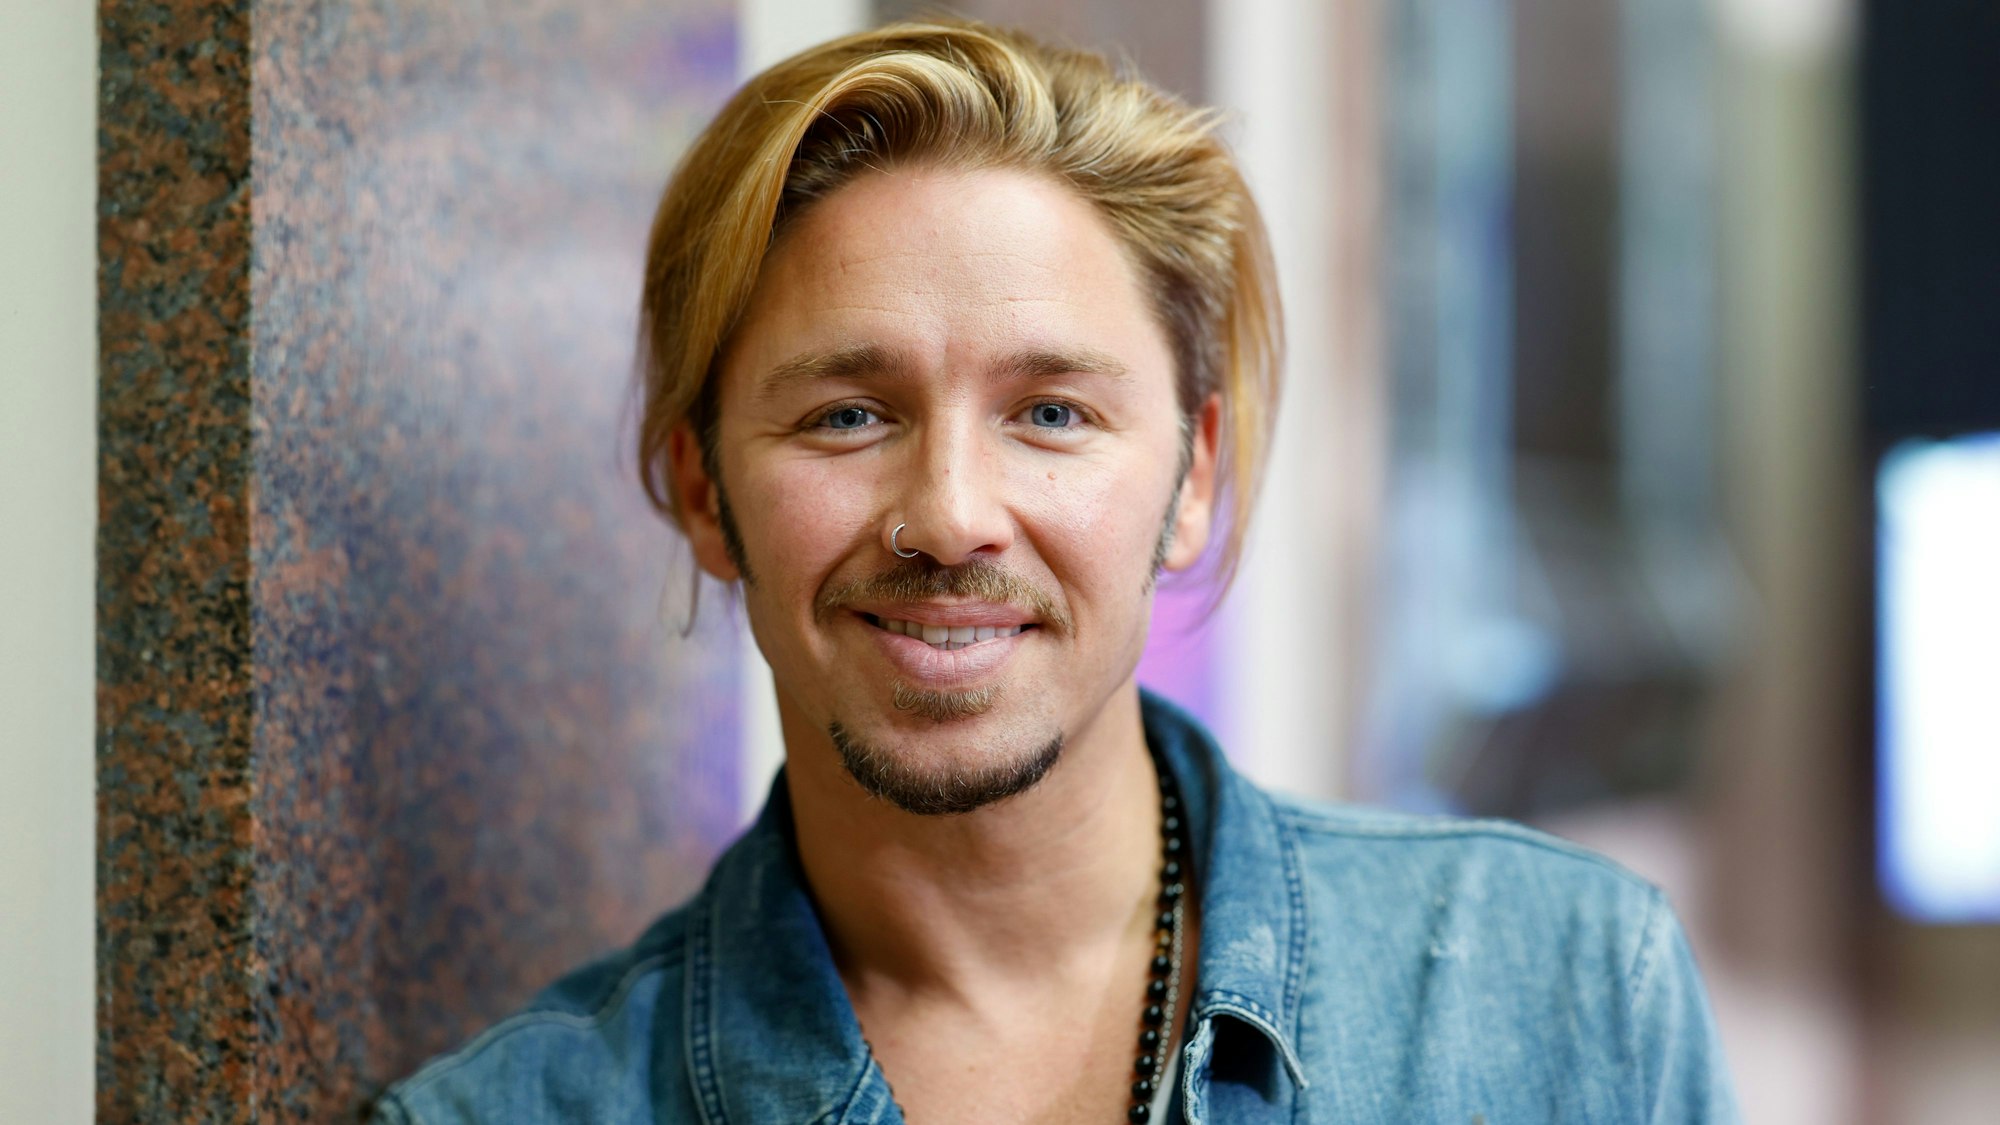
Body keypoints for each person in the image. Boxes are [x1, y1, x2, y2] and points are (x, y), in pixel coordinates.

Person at [374, 18, 1739, 1124]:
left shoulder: (1561, 993)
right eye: (847, 413)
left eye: (1052, 412)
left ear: (1192, 476)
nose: (952, 516)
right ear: (700, 489)